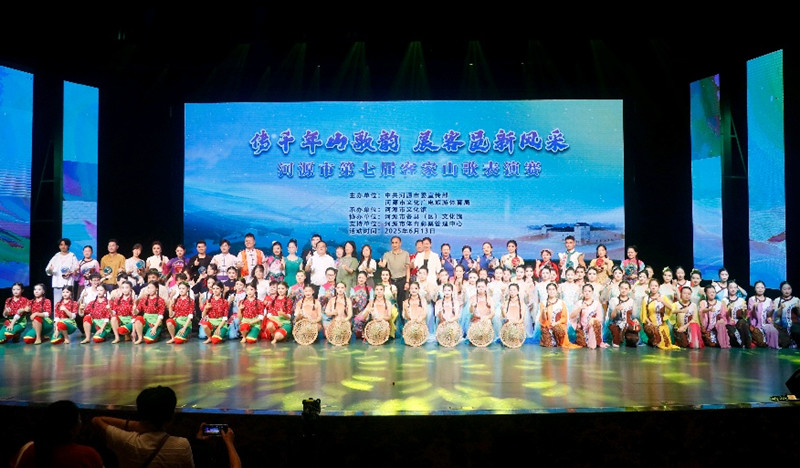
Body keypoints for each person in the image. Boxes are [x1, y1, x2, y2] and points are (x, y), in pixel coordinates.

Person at [92, 386, 194, 468]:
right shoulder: (182, 445)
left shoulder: (126, 441)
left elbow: (97, 420)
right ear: (171, 416)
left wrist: (135, 425)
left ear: (140, 413)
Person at [13, 400, 103, 468]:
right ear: (73, 428)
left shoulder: (28, 449)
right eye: (79, 419)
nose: (80, 422)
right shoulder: (88, 455)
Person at [641, 278, 679, 349]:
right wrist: (649, 323)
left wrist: (662, 301)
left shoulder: (663, 297)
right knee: (658, 342)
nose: (653, 287)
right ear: (649, 287)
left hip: (662, 324)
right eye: (652, 285)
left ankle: (652, 341)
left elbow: (671, 308)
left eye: (655, 286)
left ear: (658, 287)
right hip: (651, 324)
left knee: (666, 344)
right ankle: (651, 340)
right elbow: (644, 315)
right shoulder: (646, 299)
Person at [539, 282, 579, 349]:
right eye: (549, 289)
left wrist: (556, 323)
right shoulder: (543, 303)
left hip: (559, 325)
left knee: (558, 330)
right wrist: (543, 312)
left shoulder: (561, 302)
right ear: (547, 291)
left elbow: (564, 318)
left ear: (556, 291)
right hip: (548, 327)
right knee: (548, 345)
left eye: (553, 289)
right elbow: (542, 320)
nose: (551, 291)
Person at [378, 236, 411, 308]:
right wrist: (381, 264)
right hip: (391, 281)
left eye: (396, 242)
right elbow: (384, 264)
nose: (394, 244)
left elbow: (408, 268)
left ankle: (401, 315)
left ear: (400, 243)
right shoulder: (387, 254)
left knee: (401, 301)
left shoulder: (405, 254)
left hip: (402, 280)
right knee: (390, 301)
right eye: (393, 243)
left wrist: (407, 282)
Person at [45, 238, 79, 305]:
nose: (63, 246)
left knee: (68, 304)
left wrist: (71, 272)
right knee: (57, 303)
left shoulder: (72, 256)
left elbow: (76, 270)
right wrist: (50, 270)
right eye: (61, 245)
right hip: (57, 283)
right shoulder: (56, 256)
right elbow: (48, 271)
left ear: (68, 246)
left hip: (68, 284)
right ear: (59, 246)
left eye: (65, 245)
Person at [607, 281, 639, 347]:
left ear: (629, 289)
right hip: (616, 323)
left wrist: (635, 320)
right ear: (619, 288)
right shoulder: (614, 300)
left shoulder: (632, 301)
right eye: (622, 288)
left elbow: (634, 316)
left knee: (633, 340)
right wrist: (616, 309)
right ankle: (618, 337)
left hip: (627, 323)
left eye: (626, 289)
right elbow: (611, 317)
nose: (624, 290)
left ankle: (627, 337)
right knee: (616, 343)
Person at [747, 281, 777, 348]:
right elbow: (753, 315)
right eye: (758, 287)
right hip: (756, 325)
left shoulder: (769, 300)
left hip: (766, 324)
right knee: (761, 343)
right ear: (755, 289)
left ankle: (772, 345)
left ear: (765, 288)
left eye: (762, 287)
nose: (760, 289)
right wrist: (754, 307)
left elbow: (769, 315)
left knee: (773, 331)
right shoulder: (751, 299)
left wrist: (772, 310)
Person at [722, 281, 750, 348]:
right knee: (732, 333)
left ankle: (746, 343)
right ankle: (740, 343)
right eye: (731, 287)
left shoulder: (741, 300)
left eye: (735, 287)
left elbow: (745, 316)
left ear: (737, 289)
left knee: (743, 323)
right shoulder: (724, 300)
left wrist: (744, 310)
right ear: (727, 288)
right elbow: (723, 315)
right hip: (728, 322)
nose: (733, 289)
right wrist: (729, 310)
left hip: (738, 322)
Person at [773, 281, 798, 348]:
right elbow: (776, 316)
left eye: (789, 289)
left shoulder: (796, 300)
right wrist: (780, 308)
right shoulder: (777, 300)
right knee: (785, 343)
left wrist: (798, 308)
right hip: (782, 327)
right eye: (784, 289)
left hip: (794, 325)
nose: (787, 291)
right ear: (781, 290)